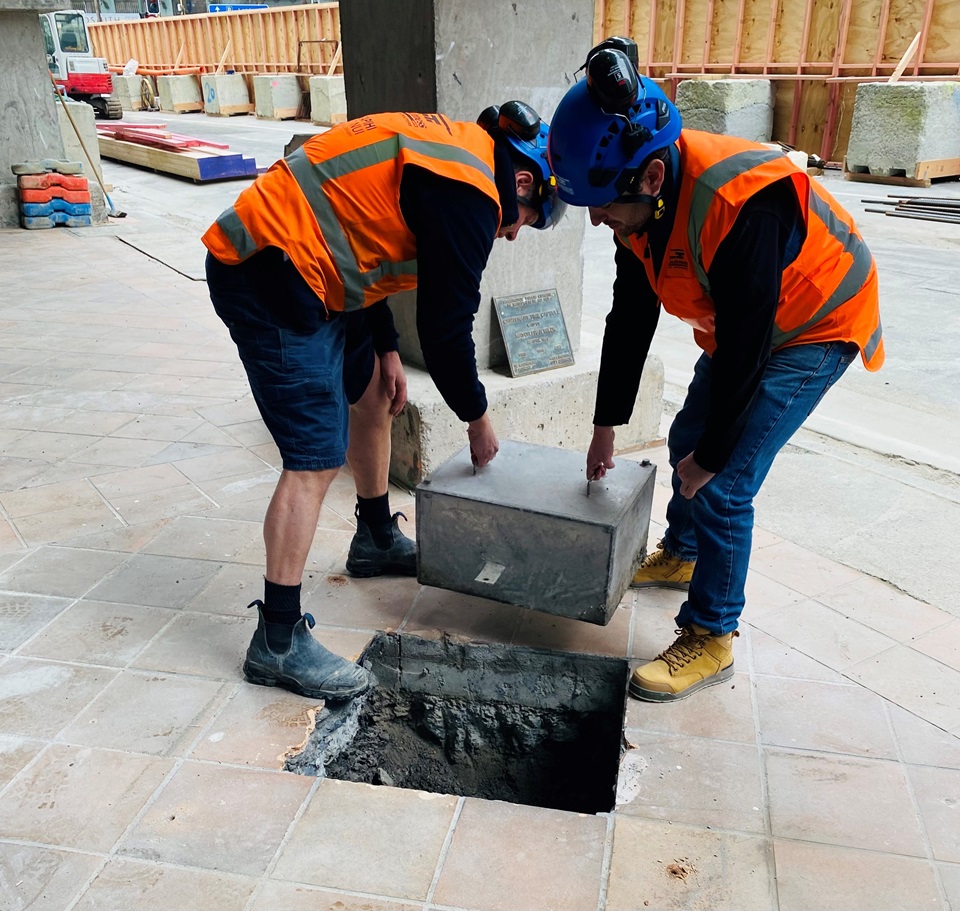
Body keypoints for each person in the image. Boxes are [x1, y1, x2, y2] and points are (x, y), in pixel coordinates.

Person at [547, 38, 884, 703]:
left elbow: (748, 350)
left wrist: (716, 454)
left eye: (603, 202)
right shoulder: (641, 211)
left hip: (816, 322)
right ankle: (687, 549)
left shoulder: (740, 204)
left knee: (722, 478)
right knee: (685, 443)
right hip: (754, 325)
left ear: (650, 177)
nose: (596, 217)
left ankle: (711, 636)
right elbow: (630, 316)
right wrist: (606, 423)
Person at [202, 103, 565, 701]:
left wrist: (388, 348)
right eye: (527, 218)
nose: (514, 231)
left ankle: (373, 538)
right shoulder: (472, 195)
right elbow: (448, 332)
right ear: (522, 181)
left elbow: (357, 230)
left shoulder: (458, 154)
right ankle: (277, 640)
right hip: (269, 271)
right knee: (314, 459)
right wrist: (477, 418)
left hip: (310, 258)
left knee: (375, 389)